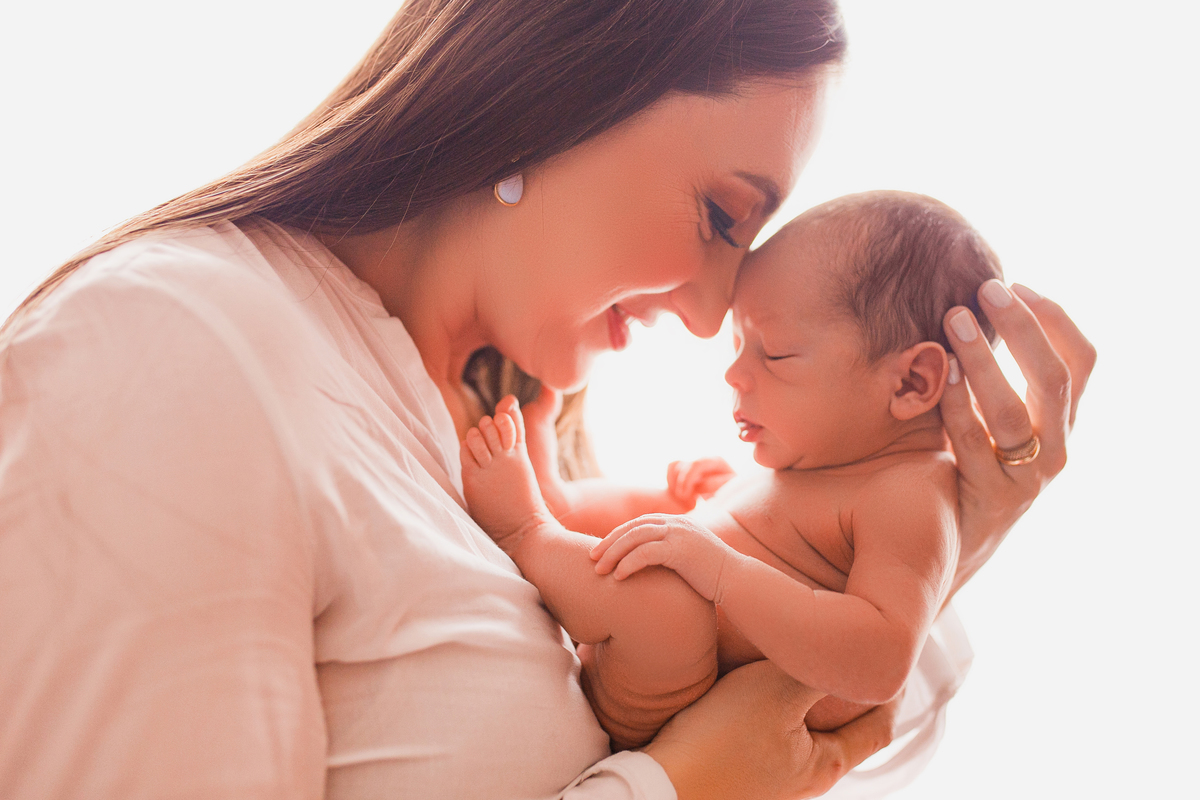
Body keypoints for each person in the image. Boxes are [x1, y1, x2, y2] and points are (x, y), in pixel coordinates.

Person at [0, 1, 1094, 798]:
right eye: (720, 216)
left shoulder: (490, 436)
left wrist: (961, 517)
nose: (717, 314)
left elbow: (800, 702)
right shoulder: (185, 349)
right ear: (567, 85)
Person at [460, 190, 1003, 751]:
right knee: (654, 516)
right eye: (739, 345)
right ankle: (553, 491)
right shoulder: (825, 461)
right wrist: (723, 502)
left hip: (669, 691)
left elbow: (882, 660)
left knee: (669, 601)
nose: (735, 374)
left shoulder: (912, 495)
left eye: (774, 354)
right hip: (645, 645)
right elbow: (783, 547)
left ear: (911, 382)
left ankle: (526, 530)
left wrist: (724, 569)